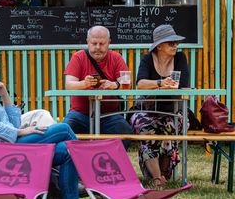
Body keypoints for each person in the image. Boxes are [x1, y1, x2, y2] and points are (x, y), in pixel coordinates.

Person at [0, 44, 79, 199]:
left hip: (5, 148)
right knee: (64, 129)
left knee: (68, 151)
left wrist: (5, 96)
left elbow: (13, 124)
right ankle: (88, 173)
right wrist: (20, 132)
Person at [130, 24, 189, 188]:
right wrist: (160, 83)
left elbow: (183, 85)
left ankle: (164, 174)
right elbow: (140, 84)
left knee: (172, 125)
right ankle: (156, 178)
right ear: (159, 46)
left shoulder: (180, 58)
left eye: (176, 43)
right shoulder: (147, 59)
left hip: (172, 109)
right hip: (148, 110)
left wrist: (167, 86)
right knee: (143, 125)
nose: (175, 46)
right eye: (171, 43)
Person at [63, 25, 133, 148]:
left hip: (109, 115)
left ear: (109, 43)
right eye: (94, 43)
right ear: (87, 42)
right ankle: (75, 163)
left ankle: (109, 163)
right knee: (64, 132)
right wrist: (84, 84)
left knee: (125, 133)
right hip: (80, 114)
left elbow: (127, 82)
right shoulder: (78, 57)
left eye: (102, 43)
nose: (98, 47)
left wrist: (114, 85)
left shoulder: (116, 58)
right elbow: (68, 85)